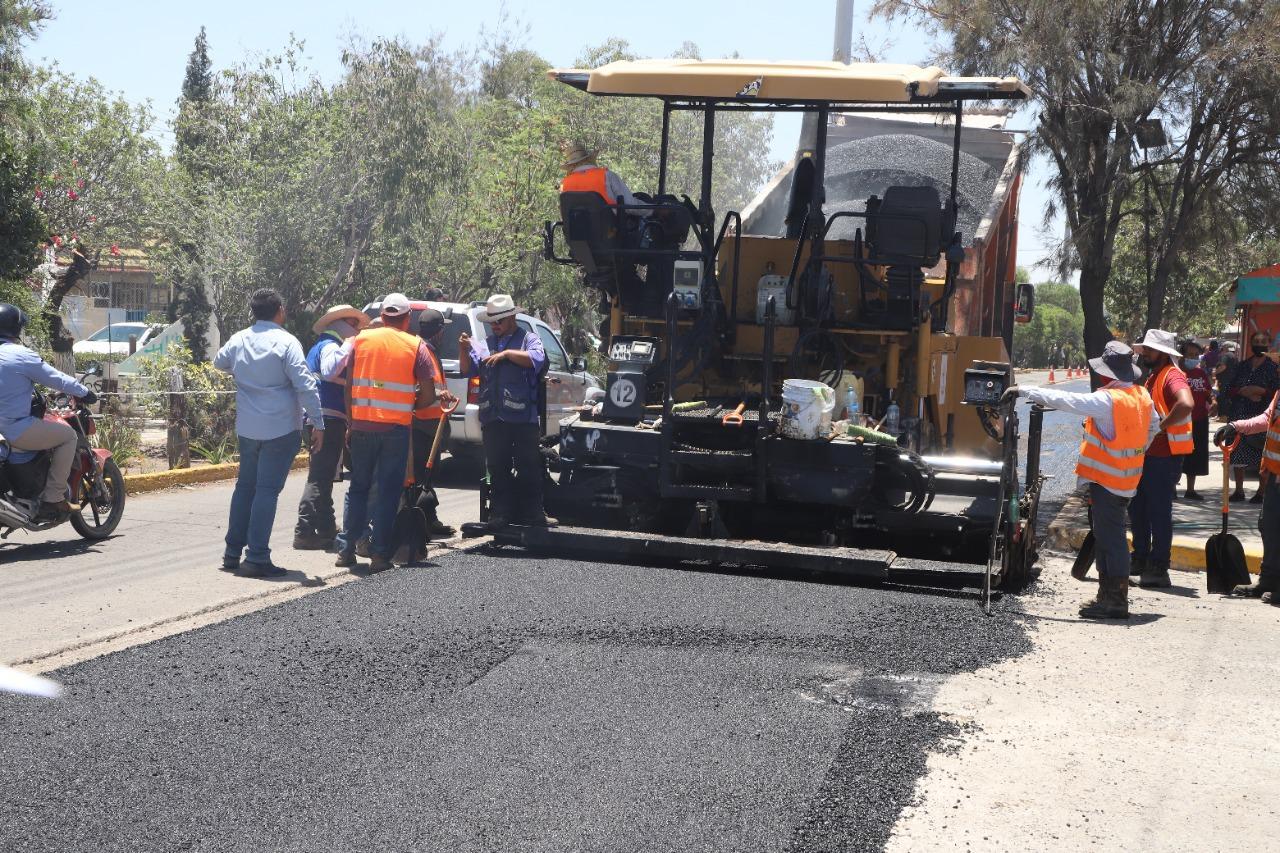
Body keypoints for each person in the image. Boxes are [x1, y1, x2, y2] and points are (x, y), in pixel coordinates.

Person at [1005, 341, 1159, 619]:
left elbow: (1068, 401)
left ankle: (1115, 601)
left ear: (1106, 373)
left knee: (1111, 540)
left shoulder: (1107, 400)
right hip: (1127, 479)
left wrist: (1025, 390)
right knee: (1108, 537)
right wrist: (1136, 452)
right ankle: (1106, 596)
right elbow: (1154, 427)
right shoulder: (1142, 396)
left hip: (1107, 481)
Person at [213, 289, 324, 578]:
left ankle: (232, 553)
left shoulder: (239, 339)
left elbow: (219, 362)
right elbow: (305, 385)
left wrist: (244, 376)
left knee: (245, 488)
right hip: (281, 426)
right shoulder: (287, 342)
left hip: (248, 427)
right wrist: (318, 423)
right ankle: (258, 556)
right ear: (280, 310)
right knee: (265, 491)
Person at [326, 292, 439, 573]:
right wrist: (409, 406)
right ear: (406, 318)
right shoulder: (416, 346)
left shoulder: (361, 340)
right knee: (388, 492)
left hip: (363, 427)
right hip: (396, 429)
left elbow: (349, 386)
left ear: (383, 315)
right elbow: (428, 394)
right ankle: (379, 556)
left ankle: (345, 549)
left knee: (359, 488)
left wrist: (351, 424)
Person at [0, 302, 97, 520]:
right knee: (68, 437)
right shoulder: (20, 355)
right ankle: (53, 498)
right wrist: (84, 392)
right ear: (16, 330)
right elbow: (56, 378)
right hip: (14, 429)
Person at [459, 294, 548, 529]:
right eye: (492, 322)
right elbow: (467, 369)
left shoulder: (529, 339)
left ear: (511, 317)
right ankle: (500, 514)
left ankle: (534, 514)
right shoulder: (486, 343)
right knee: (498, 468)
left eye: (499, 321)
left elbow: (537, 359)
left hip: (523, 420)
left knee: (528, 466)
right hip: (493, 418)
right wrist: (463, 349)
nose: (495, 326)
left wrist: (507, 355)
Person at [293, 304, 369, 550]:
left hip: (325, 418)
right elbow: (329, 370)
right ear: (343, 324)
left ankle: (325, 527)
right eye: (354, 324)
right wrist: (350, 344)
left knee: (325, 475)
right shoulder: (330, 346)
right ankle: (304, 530)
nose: (357, 329)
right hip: (325, 419)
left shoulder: (322, 346)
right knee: (320, 475)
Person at [1128, 329, 1195, 588]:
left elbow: (1186, 404)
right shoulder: (1156, 376)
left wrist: (1161, 427)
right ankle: (1142, 557)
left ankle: (1159, 566)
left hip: (1163, 459)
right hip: (1150, 456)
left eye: (1149, 349)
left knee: (1157, 512)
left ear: (1163, 353)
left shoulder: (1171, 376)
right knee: (1140, 510)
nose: (1144, 353)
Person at [1217, 393, 1280, 605]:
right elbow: (1267, 418)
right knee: (1269, 526)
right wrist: (1237, 426)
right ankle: (1269, 580)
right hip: (1275, 473)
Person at [411, 308, 459, 538]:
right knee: (422, 476)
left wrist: (442, 394)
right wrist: (439, 395)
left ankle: (429, 518)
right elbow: (416, 389)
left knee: (429, 475)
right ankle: (423, 520)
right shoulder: (419, 350)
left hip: (433, 424)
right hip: (420, 424)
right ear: (439, 332)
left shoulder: (429, 350)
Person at [1225, 332, 1279, 502]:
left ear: (1269, 344)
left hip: (1261, 416)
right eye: (1256, 341)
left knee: (1261, 456)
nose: (1260, 344)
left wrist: (1262, 391)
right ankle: (1239, 491)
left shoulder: (1272, 367)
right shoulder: (1242, 365)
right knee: (1237, 454)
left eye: (1263, 341)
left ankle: (1261, 492)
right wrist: (1242, 391)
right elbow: (1227, 387)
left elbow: (1275, 391)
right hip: (1239, 414)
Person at [559, 141, 641, 210]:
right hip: (610, 228)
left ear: (570, 166)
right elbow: (630, 205)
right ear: (590, 159)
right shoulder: (607, 175)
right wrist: (651, 211)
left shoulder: (564, 184)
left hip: (575, 229)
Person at [1179, 339, 1213, 501]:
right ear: (1182, 355)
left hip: (1200, 419)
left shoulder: (1201, 373)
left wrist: (1214, 402)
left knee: (1196, 455)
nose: (1193, 358)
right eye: (1190, 355)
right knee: (1178, 455)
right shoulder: (1176, 372)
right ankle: (1171, 487)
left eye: (1196, 355)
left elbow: (1208, 393)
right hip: (1181, 421)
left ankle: (1190, 490)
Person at [1214, 341, 1239, 420]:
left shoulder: (1226, 355)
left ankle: (1223, 416)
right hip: (1231, 381)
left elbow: (1223, 366)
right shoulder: (1234, 356)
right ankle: (1226, 416)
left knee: (1222, 398)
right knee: (1227, 398)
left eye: (1223, 347)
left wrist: (1215, 372)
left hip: (1224, 381)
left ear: (1226, 347)